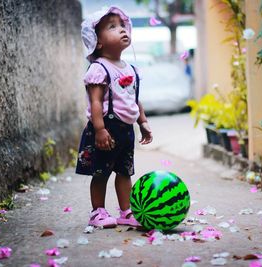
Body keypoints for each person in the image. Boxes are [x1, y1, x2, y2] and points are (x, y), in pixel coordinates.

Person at [76, 6, 153, 228]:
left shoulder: (130, 68)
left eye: (122, 25)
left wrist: (143, 122)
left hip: (126, 131)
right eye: (112, 26)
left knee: (124, 171)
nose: (121, 30)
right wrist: (99, 129)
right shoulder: (99, 69)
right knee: (101, 172)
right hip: (106, 129)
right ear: (97, 42)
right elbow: (96, 101)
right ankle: (97, 212)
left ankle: (126, 211)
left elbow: (133, 98)